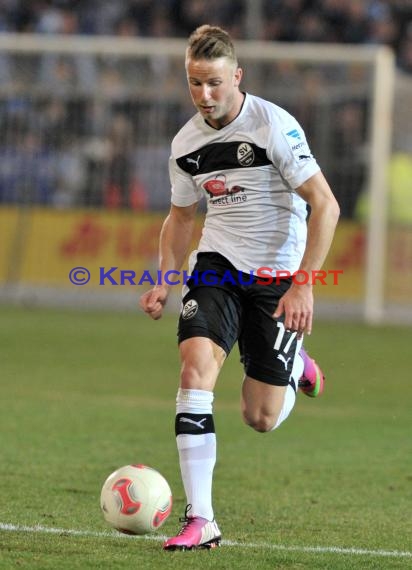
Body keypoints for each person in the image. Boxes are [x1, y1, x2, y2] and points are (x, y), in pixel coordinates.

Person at [139, 24, 340, 551]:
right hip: (217, 266)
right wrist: (165, 278)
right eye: (194, 84)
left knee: (260, 417)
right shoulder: (186, 144)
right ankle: (201, 518)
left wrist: (304, 286)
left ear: (237, 77)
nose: (205, 96)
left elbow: (326, 204)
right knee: (193, 370)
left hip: (277, 274)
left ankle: (295, 365)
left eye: (214, 83)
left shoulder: (272, 125)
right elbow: (181, 217)